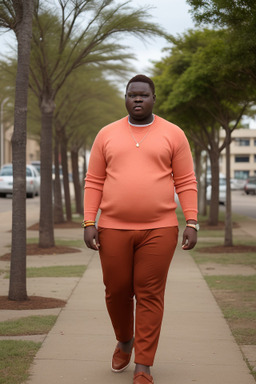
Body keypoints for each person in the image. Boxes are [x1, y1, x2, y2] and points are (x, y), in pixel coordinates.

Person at [83, 74, 198, 384]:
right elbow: (94, 181)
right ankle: (124, 340)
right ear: (125, 98)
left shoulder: (173, 134)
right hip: (113, 227)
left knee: (149, 294)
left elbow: (186, 181)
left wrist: (191, 221)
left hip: (159, 229)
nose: (137, 99)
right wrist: (89, 221)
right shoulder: (107, 134)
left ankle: (143, 365)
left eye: (143, 95)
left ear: (153, 99)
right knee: (117, 291)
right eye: (132, 94)